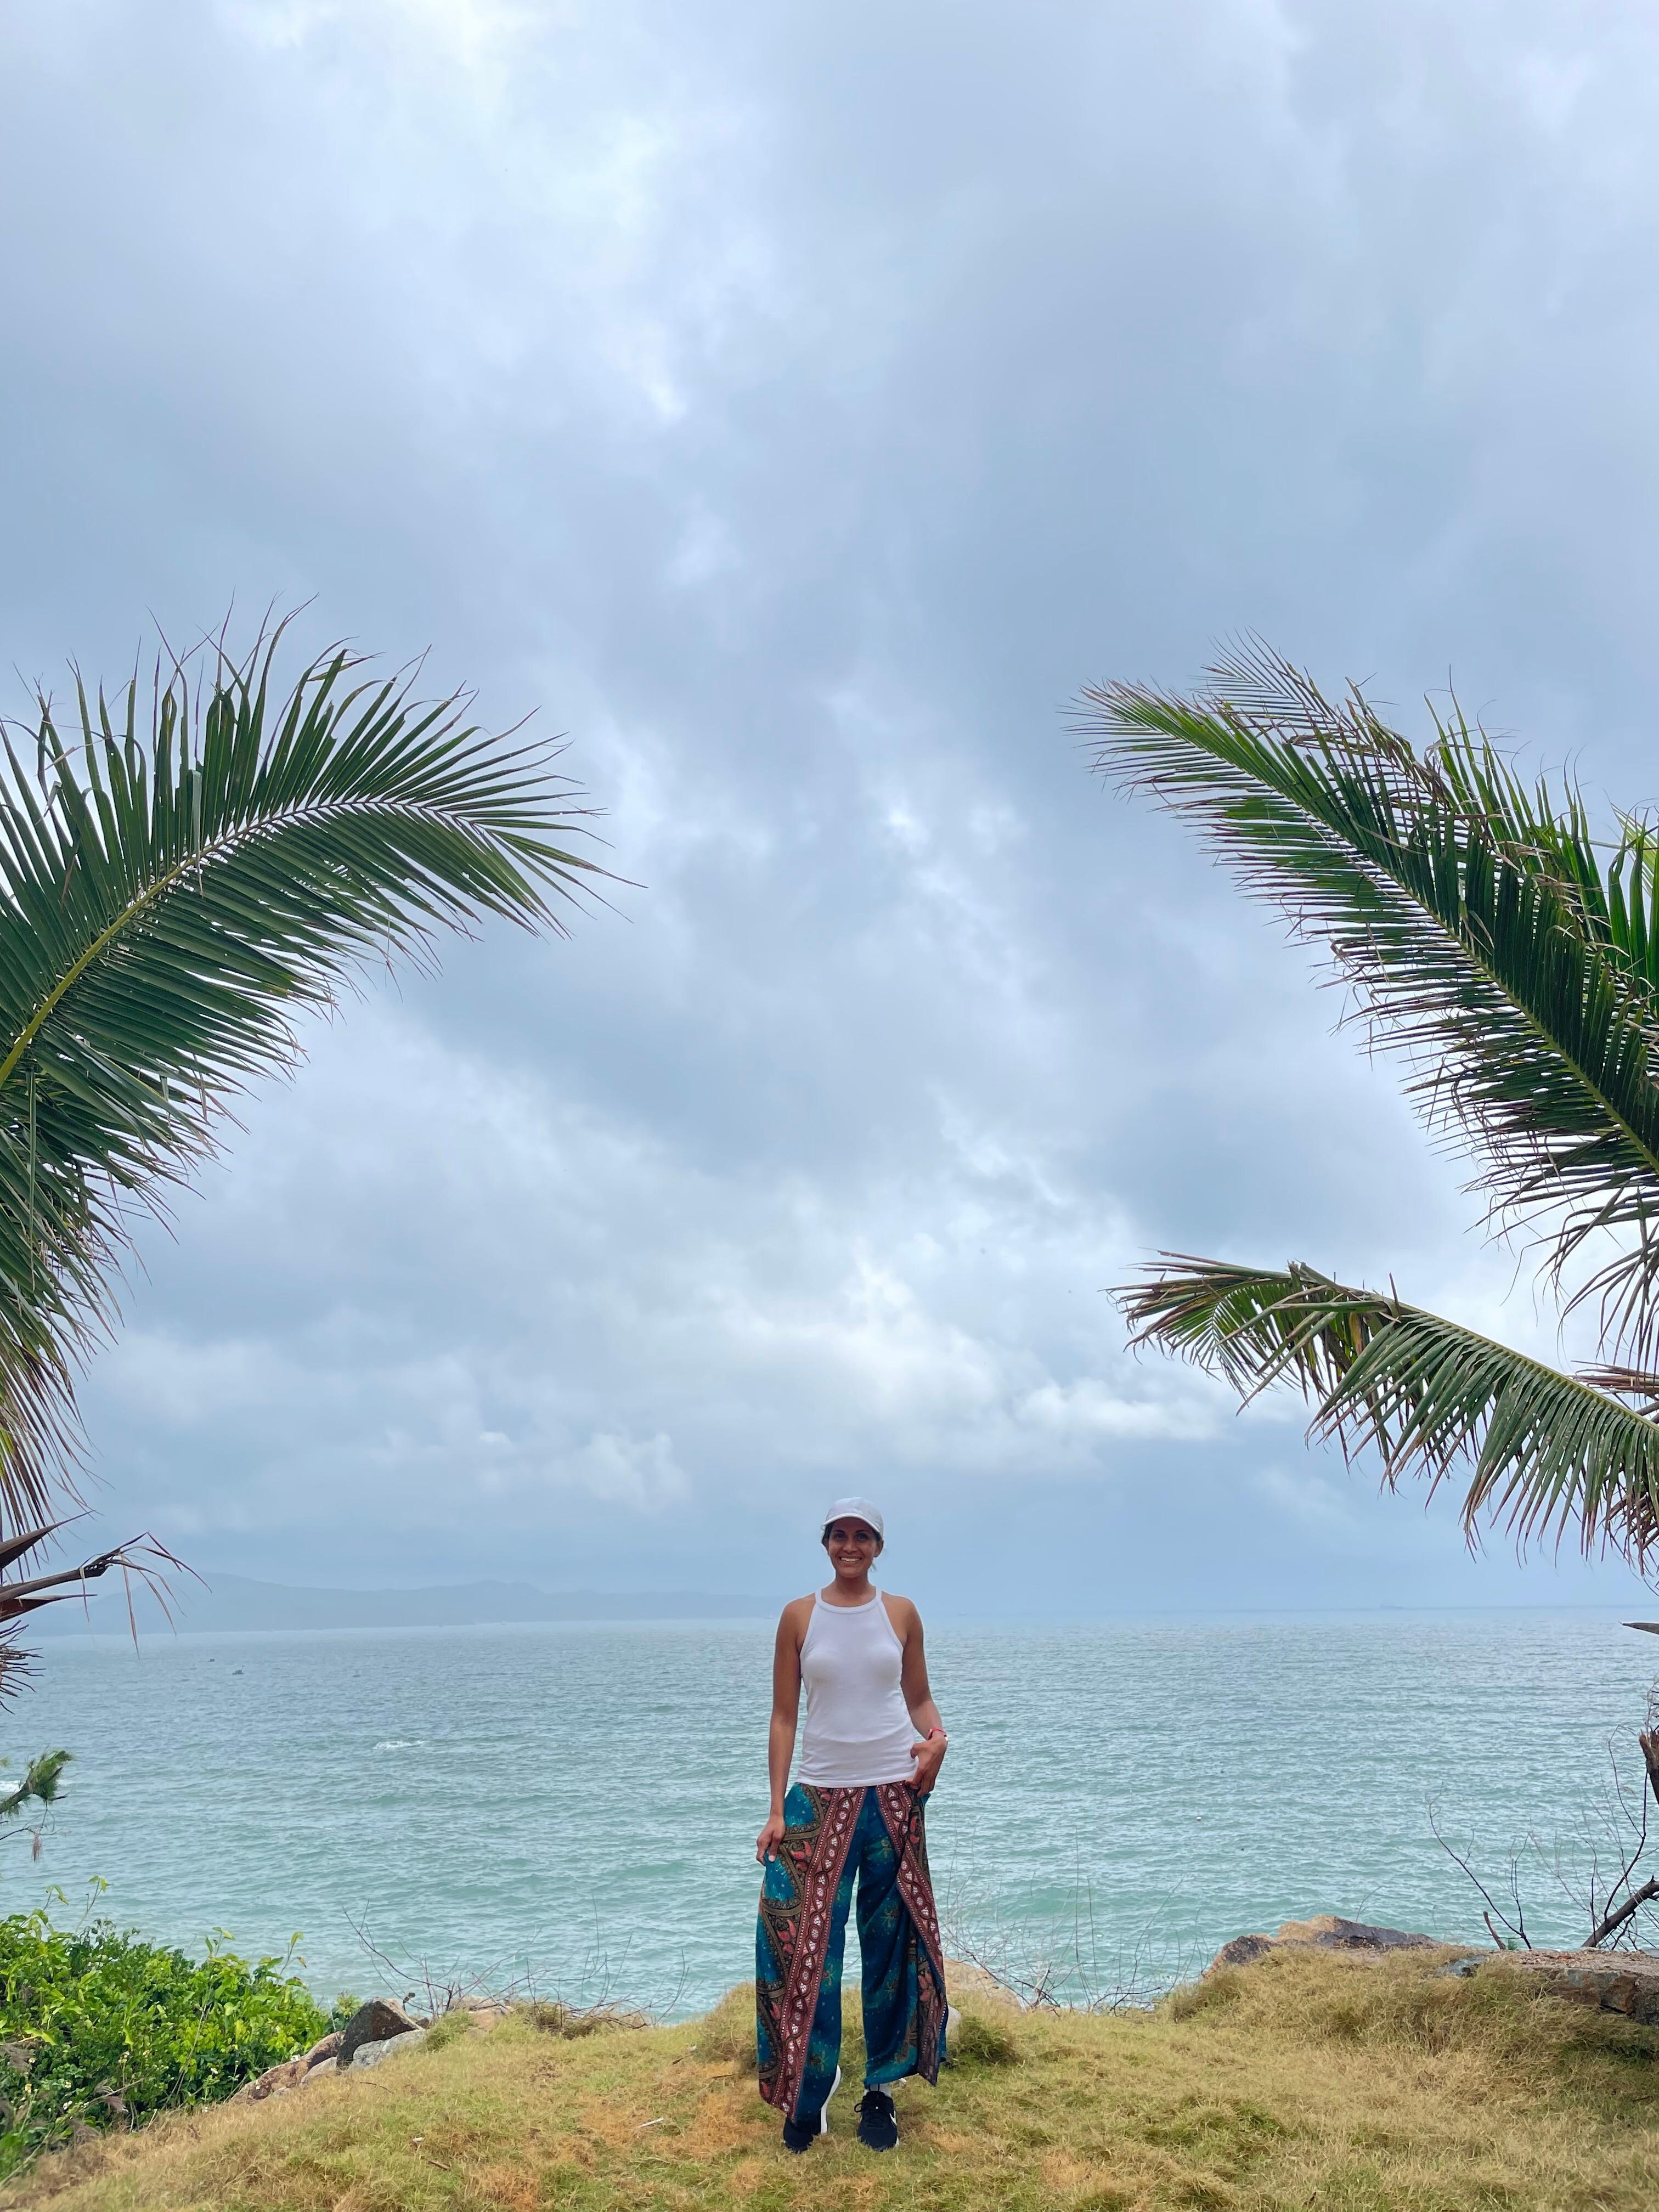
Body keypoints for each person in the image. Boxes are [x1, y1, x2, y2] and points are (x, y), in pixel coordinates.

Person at [754, 1497, 951, 2154]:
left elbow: (918, 1698)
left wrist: (938, 1739)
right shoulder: (799, 1616)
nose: (850, 1545)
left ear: (878, 1546)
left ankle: (882, 2090)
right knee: (799, 1945)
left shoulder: (901, 1613)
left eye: (862, 1536)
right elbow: (784, 1715)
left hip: (894, 1794)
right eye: (839, 1535)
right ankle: (810, 2089)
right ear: (825, 1543)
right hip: (818, 1795)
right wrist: (777, 1808)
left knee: (891, 1941)